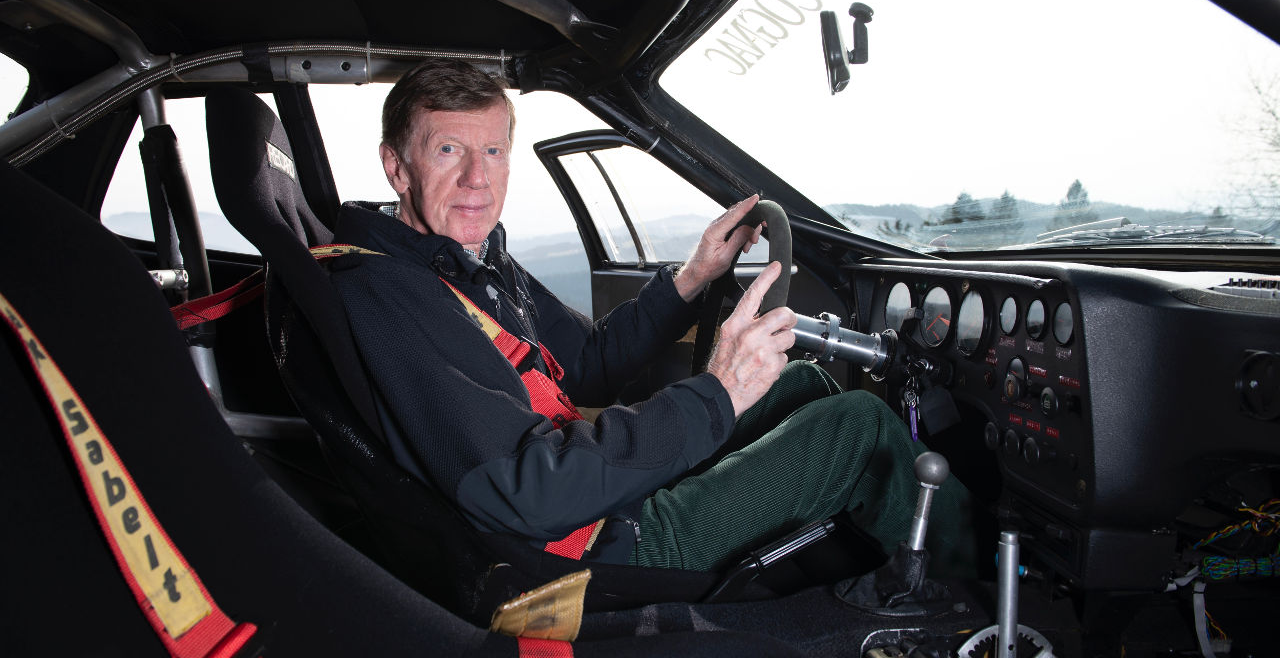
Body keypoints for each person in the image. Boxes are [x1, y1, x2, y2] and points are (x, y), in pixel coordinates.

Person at [329, 57, 972, 573]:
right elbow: (529, 493)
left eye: (494, 151)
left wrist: (693, 277)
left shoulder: (468, 263)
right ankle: (985, 595)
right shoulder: (392, 294)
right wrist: (719, 391)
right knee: (856, 427)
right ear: (397, 168)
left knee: (802, 383)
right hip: (584, 551)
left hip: (586, 497)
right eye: (449, 150)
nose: (478, 177)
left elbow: (586, 365)